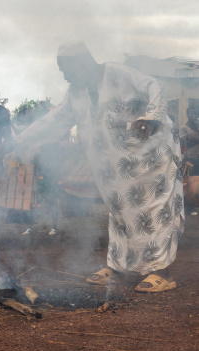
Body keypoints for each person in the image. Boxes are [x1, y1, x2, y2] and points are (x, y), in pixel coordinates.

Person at [16, 41, 184, 292]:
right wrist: (16, 142)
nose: (64, 75)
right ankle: (116, 267)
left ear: (82, 62)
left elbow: (156, 86)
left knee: (154, 210)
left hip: (151, 154)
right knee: (118, 213)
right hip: (115, 165)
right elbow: (53, 121)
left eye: (65, 68)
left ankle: (162, 272)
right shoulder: (75, 93)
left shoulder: (117, 73)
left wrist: (151, 118)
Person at [179, 106, 199, 175]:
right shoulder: (183, 128)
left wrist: (191, 138)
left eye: (196, 114)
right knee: (192, 181)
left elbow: (191, 141)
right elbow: (186, 143)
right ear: (187, 114)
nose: (194, 115)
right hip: (191, 158)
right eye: (192, 113)